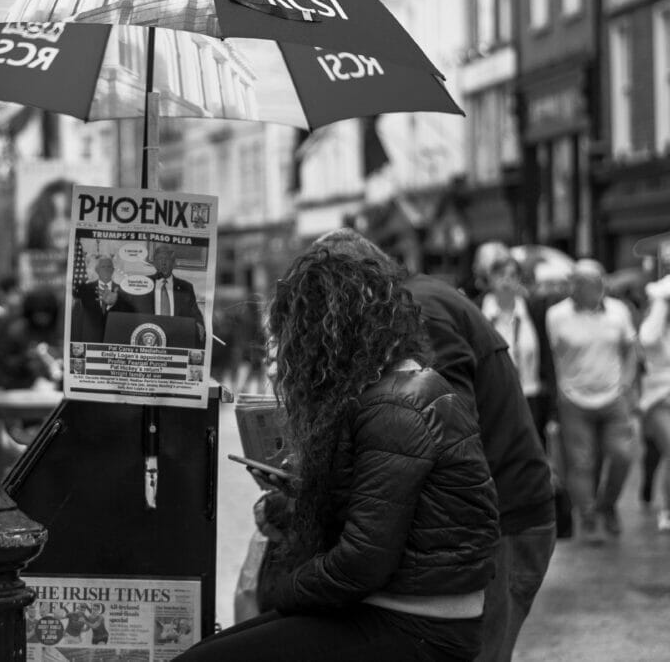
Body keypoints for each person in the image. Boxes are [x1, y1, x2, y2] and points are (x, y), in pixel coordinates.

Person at [180, 239, 499, 662]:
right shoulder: (394, 389)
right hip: (406, 610)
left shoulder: (395, 406)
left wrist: (281, 591)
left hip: (418, 625)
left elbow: (361, 564)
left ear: (329, 337)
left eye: (297, 337)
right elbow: (380, 518)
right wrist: (300, 494)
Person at [313, 229, 555, 662]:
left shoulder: (418, 311)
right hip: (499, 519)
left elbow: (447, 435)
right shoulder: (414, 301)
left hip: (506, 521)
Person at [546, 259, 637, 542]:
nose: (577, 287)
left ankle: (607, 505)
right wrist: (558, 391)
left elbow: (631, 348)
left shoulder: (618, 312)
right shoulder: (556, 315)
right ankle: (588, 515)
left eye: (584, 282)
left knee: (622, 454)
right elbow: (550, 356)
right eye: (575, 282)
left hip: (613, 396)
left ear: (598, 284)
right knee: (581, 462)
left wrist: (627, 383)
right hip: (574, 398)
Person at [480, 257, 545, 439]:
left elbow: (547, 358)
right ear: (491, 279)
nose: (506, 280)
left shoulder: (533, 310)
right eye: (501, 275)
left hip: (528, 395)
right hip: (491, 398)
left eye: (512, 275)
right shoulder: (478, 311)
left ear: (519, 280)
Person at [114, 243, 205, 346]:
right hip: (148, 340)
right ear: (155, 264)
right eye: (159, 259)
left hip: (176, 340)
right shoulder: (142, 283)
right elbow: (127, 308)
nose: (163, 262)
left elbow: (195, 313)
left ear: (173, 263)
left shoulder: (186, 287)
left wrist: (199, 323)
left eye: (167, 259)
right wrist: (115, 300)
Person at [638, 274, 670, 532]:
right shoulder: (654, 326)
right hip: (658, 401)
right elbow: (647, 339)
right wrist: (662, 302)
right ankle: (665, 507)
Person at [71, 255, 119, 343]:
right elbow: (77, 321)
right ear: (97, 270)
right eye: (103, 266)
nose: (106, 269)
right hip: (89, 342)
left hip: (114, 342)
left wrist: (111, 305)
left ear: (113, 270)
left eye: (109, 266)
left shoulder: (121, 291)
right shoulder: (84, 289)